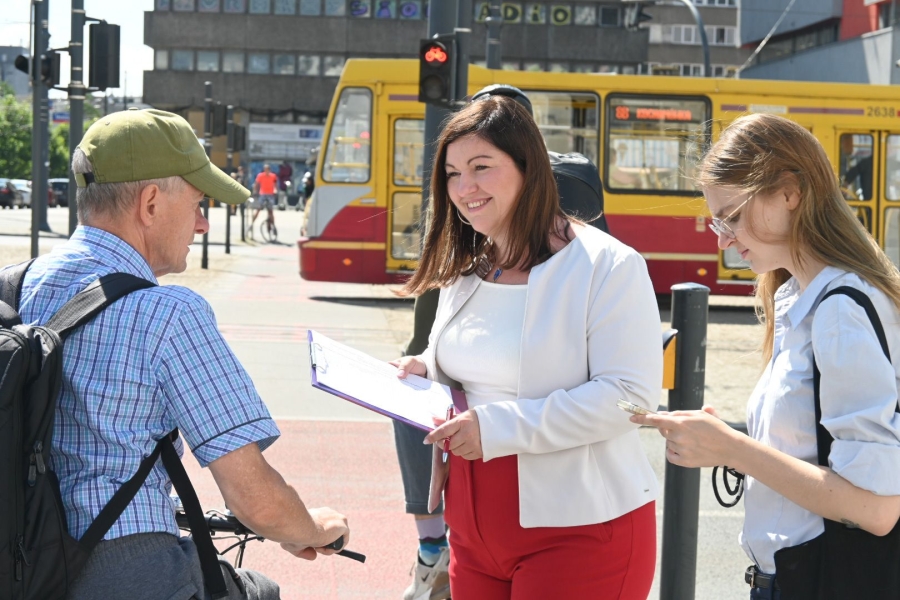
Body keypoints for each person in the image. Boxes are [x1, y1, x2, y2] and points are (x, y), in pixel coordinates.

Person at [3, 109, 350, 599]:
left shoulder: (14, 288)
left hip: (20, 562)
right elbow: (256, 499)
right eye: (197, 204)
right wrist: (311, 528)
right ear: (150, 204)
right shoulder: (168, 314)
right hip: (123, 569)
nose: (203, 224)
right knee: (261, 591)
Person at [391, 95, 661, 598]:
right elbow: (474, 361)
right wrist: (425, 368)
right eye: (452, 174)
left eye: (481, 167)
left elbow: (630, 398)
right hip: (471, 527)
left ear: (528, 168)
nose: (464, 188)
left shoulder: (608, 265)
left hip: (579, 529)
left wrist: (496, 428)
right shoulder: (467, 265)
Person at [632, 113, 900, 598]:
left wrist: (734, 449)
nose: (722, 239)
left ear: (790, 193)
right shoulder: (801, 296)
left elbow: (877, 508)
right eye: (718, 221)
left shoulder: (838, 309)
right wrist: (730, 442)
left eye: (732, 217)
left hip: (814, 581)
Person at [839, 134, 873, 200]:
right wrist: (846, 181)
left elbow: (856, 170)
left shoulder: (869, 161)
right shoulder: (869, 162)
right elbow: (856, 170)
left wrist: (846, 181)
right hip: (868, 198)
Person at [251, 164, 279, 236]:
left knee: (270, 211)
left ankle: (273, 225)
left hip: (270, 194)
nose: (266, 171)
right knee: (258, 209)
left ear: (269, 170)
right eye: (265, 170)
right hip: (263, 194)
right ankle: (251, 224)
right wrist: (255, 191)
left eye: (268, 170)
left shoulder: (273, 176)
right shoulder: (260, 175)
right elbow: (256, 184)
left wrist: (275, 190)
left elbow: (275, 185)